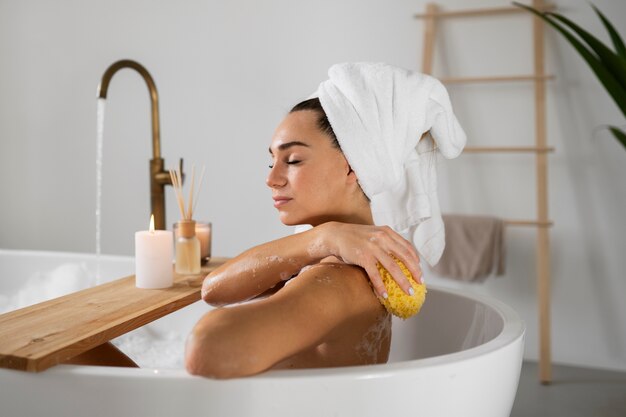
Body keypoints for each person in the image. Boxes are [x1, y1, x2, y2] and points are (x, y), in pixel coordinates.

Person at [185, 63, 466, 379]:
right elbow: (213, 291)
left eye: (292, 160)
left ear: (351, 168)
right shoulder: (331, 263)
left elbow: (208, 346)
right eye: (271, 161)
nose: (271, 178)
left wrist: (323, 238)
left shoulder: (336, 282)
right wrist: (323, 239)